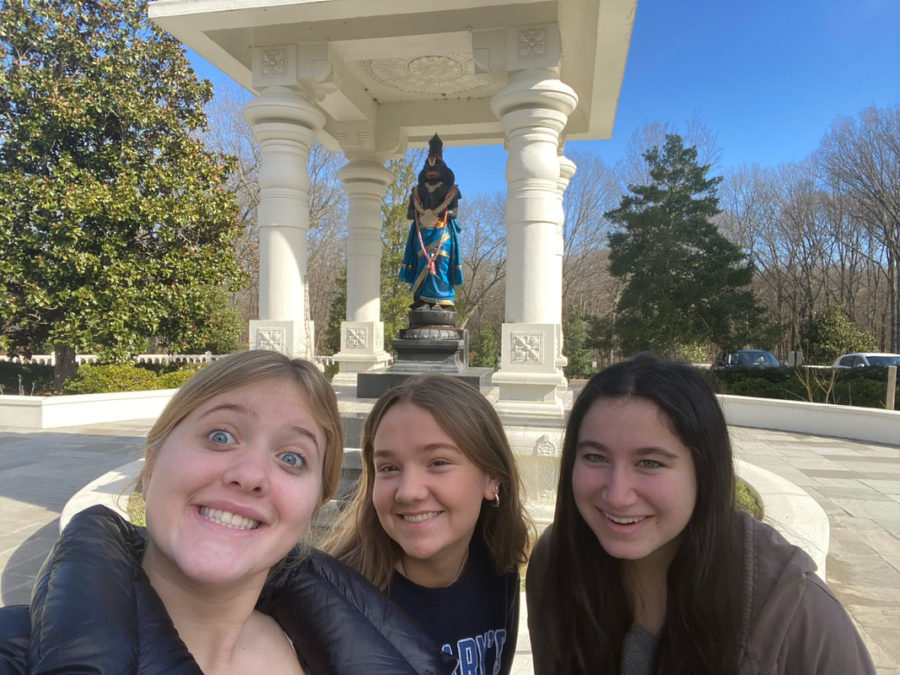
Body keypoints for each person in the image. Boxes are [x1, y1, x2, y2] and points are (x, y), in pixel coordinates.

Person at [0, 350, 454, 674]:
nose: (251, 475)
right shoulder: (17, 651)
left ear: (314, 504)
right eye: (220, 436)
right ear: (153, 460)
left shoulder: (374, 649)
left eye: (292, 458)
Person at [526, 354, 875, 674]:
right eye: (595, 458)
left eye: (650, 463)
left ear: (704, 473)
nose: (618, 495)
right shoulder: (557, 562)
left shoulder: (794, 611)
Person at [323, 374, 531, 675]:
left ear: (492, 477)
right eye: (389, 468)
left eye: (438, 462)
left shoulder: (499, 568)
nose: (408, 491)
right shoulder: (336, 603)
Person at [400, 133, 463, 309]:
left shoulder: (451, 190)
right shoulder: (417, 191)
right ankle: (423, 299)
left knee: (441, 262)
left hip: (441, 232)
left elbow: (453, 213)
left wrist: (439, 212)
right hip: (423, 233)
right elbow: (410, 214)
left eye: (435, 166)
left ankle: (443, 300)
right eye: (428, 166)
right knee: (423, 263)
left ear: (443, 168)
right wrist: (423, 214)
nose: (432, 170)